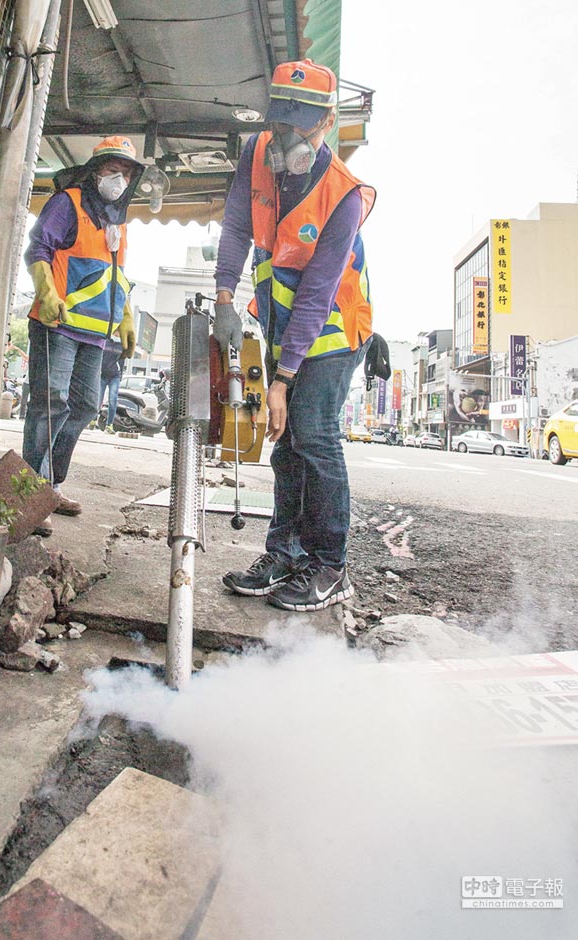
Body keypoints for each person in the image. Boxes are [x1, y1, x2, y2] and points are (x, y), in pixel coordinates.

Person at [214, 59, 376, 612]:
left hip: (333, 329)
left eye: (298, 124)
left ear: (327, 122)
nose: (285, 136)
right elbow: (237, 226)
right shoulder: (257, 154)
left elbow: (317, 293)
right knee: (285, 443)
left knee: (313, 435)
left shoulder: (344, 195)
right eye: (279, 121)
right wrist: (224, 298)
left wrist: (281, 380)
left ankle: (329, 566)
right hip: (281, 325)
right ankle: (283, 555)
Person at [22, 136, 142, 536]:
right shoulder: (67, 203)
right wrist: (46, 293)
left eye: (126, 173)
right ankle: (31, 494)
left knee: (86, 405)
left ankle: (51, 487)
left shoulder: (117, 221)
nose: (119, 179)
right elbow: (38, 248)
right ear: (94, 172)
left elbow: (116, 276)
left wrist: (125, 317)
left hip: (95, 334)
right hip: (57, 324)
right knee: (50, 404)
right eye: (112, 170)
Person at [99, 336, 123, 432]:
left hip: (114, 376)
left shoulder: (121, 346)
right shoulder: (105, 341)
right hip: (102, 375)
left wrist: (120, 376)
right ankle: (92, 420)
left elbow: (122, 362)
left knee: (113, 400)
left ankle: (109, 425)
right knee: (98, 399)